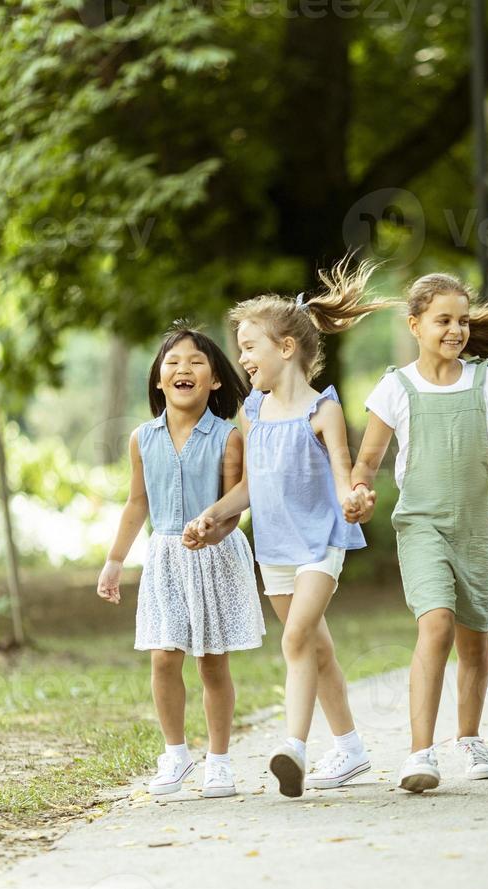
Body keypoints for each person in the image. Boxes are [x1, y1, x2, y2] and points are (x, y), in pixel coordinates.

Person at [186, 258, 392, 798]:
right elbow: (250, 487)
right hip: (273, 547)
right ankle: (350, 749)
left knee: (297, 636)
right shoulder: (252, 411)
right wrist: (215, 514)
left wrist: (358, 500)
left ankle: (293, 749)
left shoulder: (323, 411)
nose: (241, 358)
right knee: (315, 648)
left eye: (249, 345)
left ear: (286, 348)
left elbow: (347, 480)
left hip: (321, 542)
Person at [345, 273, 488, 793]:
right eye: (444, 320)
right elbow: (367, 460)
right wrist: (360, 491)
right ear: (416, 325)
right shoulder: (395, 386)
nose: (456, 329)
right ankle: (420, 753)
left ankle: (470, 738)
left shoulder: (484, 381)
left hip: (478, 528)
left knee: (476, 640)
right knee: (435, 624)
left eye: (462, 320)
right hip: (421, 525)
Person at [97, 323, 265, 798]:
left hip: (213, 556)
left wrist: (214, 529)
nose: (182, 369)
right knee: (164, 657)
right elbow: (136, 503)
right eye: (172, 362)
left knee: (212, 664)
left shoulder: (227, 437)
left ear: (214, 380)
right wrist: (114, 562)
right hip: (165, 557)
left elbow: (235, 503)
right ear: (158, 380)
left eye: (195, 362)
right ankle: (175, 755)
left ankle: (219, 760)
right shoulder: (141, 439)